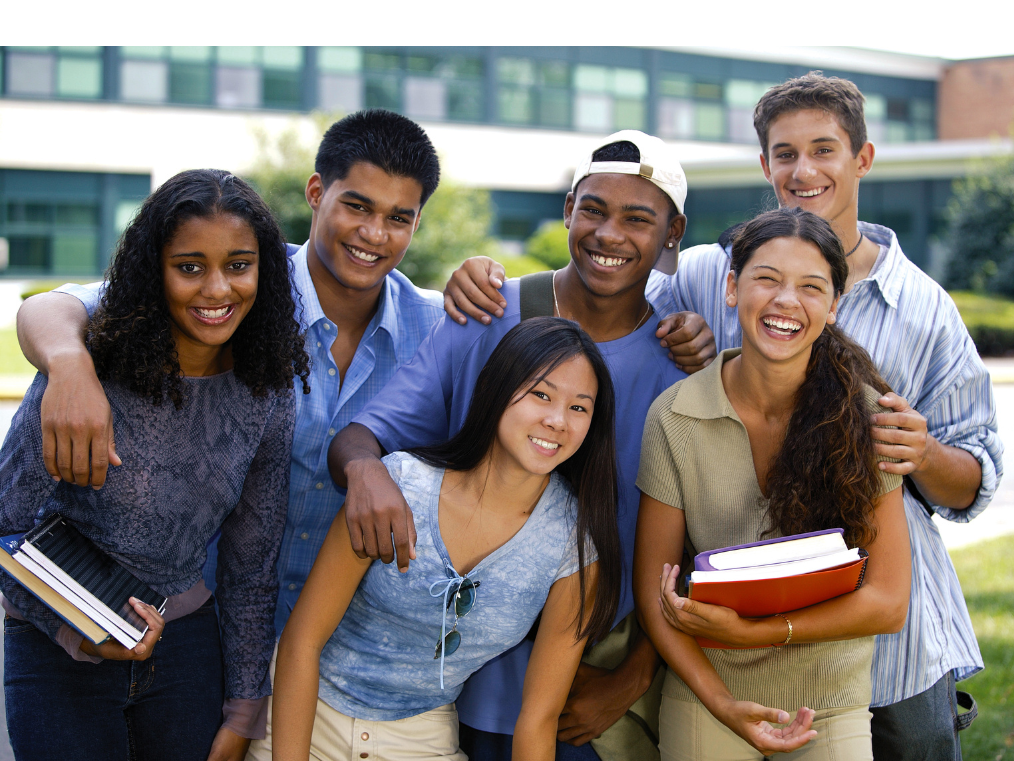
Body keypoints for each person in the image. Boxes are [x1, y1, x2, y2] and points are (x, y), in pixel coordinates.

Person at [652, 73, 1002, 760]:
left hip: (889, 635)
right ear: (765, 166)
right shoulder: (709, 274)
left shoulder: (925, 309)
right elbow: (615, 301)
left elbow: (977, 479)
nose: (803, 170)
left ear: (862, 158)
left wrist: (924, 453)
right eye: (785, 153)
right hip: (737, 611)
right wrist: (678, 331)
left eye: (824, 149)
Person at [328, 130, 695, 760]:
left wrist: (634, 676)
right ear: (568, 213)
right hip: (473, 681)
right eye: (594, 210)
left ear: (672, 234)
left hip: (608, 679)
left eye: (638, 219)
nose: (609, 234)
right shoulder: (491, 310)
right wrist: (364, 472)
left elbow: (692, 543)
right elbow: (366, 436)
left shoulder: (680, 364)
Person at [15, 109, 446, 634]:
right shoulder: (236, 281)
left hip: (337, 641)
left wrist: (483, 274)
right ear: (316, 192)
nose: (374, 234)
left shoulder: (437, 330)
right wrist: (69, 368)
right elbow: (56, 308)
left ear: (418, 222)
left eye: (398, 218)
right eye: (356, 206)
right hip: (201, 628)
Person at [0, 169, 309, 761]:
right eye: (189, 266)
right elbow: (4, 523)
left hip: (185, 649)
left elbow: (251, 560)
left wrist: (246, 706)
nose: (217, 289)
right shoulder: (84, 372)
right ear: (154, 269)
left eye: (239, 265)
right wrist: (78, 631)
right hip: (54, 645)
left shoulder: (267, 391)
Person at [252, 318, 620, 761]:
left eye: (580, 408)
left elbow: (538, 719)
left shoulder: (574, 545)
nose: (558, 420)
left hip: (420, 734)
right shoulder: (400, 485)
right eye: (541, 394)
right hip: (305, 712)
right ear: (498, 389)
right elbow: (301, 642)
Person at [635, 206, 911, 760]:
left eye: (811, 287)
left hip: (830, 699)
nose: (787, 301)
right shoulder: (675, 415)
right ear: (733, 288)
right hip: (708, 692)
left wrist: (755, 632)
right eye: (767, 279)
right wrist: (722, 702)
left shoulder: (867, 417)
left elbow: (888, 602)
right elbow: (653, 591)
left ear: (833, 307)